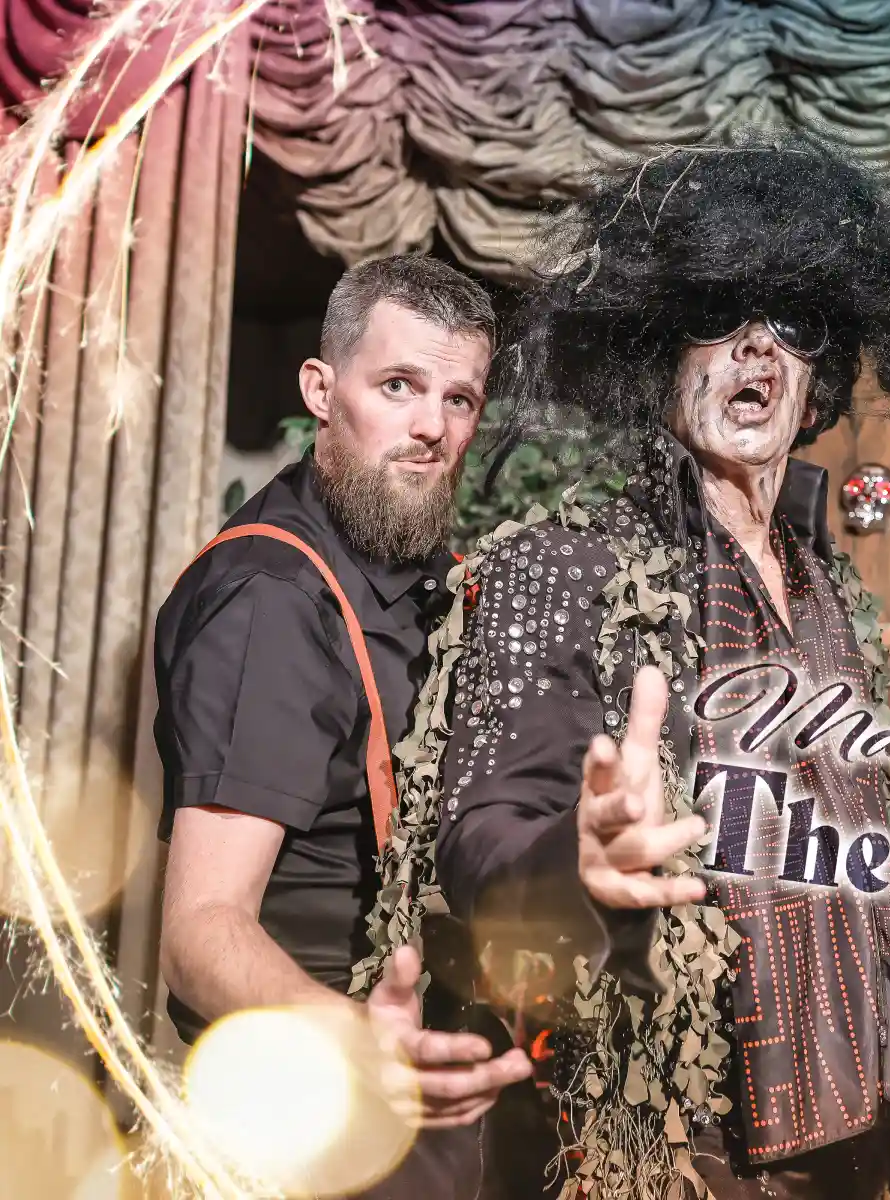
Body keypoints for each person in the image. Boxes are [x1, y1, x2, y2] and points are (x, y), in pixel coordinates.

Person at [359, 141, 890, 1199]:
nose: (760, 354)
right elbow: (480, 835)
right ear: (656, 352)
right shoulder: (563, 563)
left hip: (859, 1125)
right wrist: (575, 865)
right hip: (680, 1154)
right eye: (720, 320)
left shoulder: (825, 588)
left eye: (796, 326)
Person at [154, 254, 531, 1197]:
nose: (431, 427)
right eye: (398, 386)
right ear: (322, 391)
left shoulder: (426, 578)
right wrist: (348, 1039)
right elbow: (201, 931)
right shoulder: (272, 599)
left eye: (459, 398)